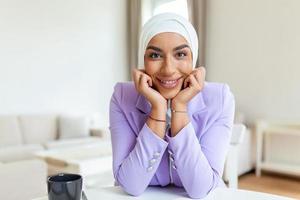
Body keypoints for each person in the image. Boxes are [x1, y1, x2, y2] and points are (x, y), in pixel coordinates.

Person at [109, 13, 235, 199]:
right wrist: (158, 110)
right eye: (155, 55)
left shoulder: (220, 98)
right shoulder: (122, 96)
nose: (168, 69)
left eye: (181, 54)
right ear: (143, 59)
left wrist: (180, 108)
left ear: (194, 57)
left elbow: (200, 189)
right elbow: (131, 185)